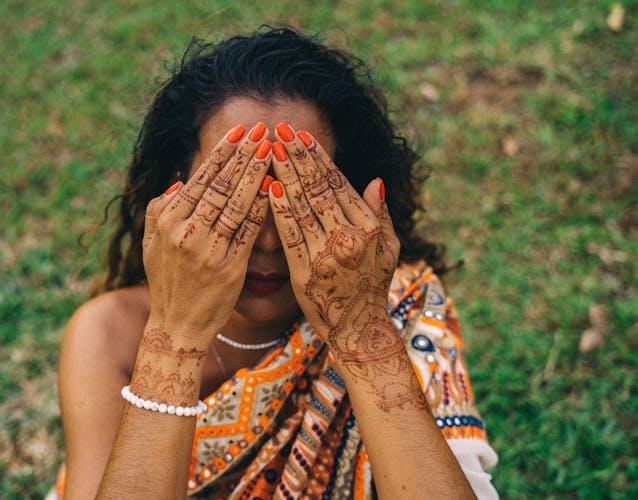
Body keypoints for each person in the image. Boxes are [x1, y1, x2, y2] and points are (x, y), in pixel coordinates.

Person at [51, 27, 498, 499]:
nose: (266, 239)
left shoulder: (400, 310)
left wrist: (361, 333)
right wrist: (174, 339)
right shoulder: (108, 335)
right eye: (236, 196)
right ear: (173, 194)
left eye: (300, 195)